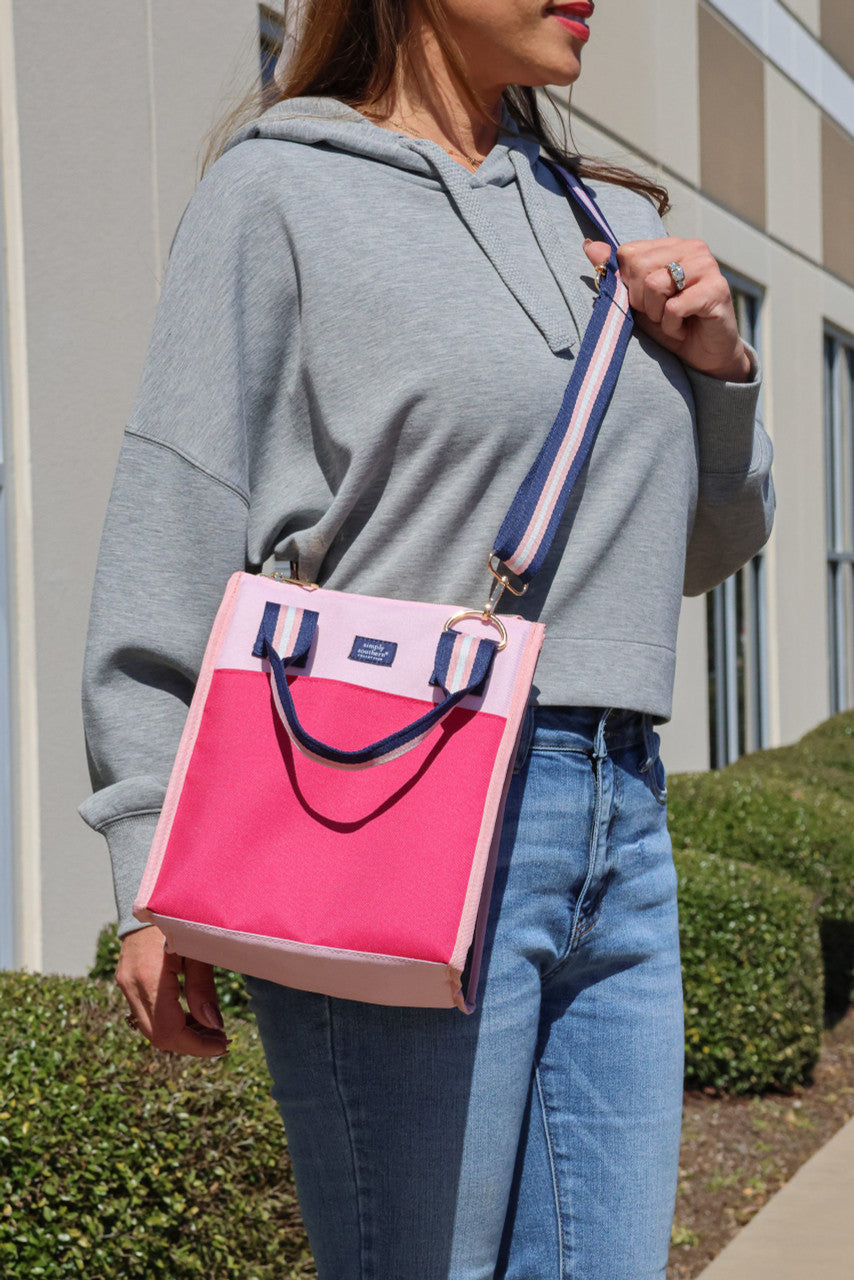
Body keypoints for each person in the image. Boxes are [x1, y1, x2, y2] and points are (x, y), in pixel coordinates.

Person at [77, 2, 775, 1276]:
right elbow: (174, 519)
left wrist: (719, 379)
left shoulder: (608, 224)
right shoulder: (280, 194)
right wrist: (148, 852)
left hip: (620, 814)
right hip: (388, 797)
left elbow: (702, 549)